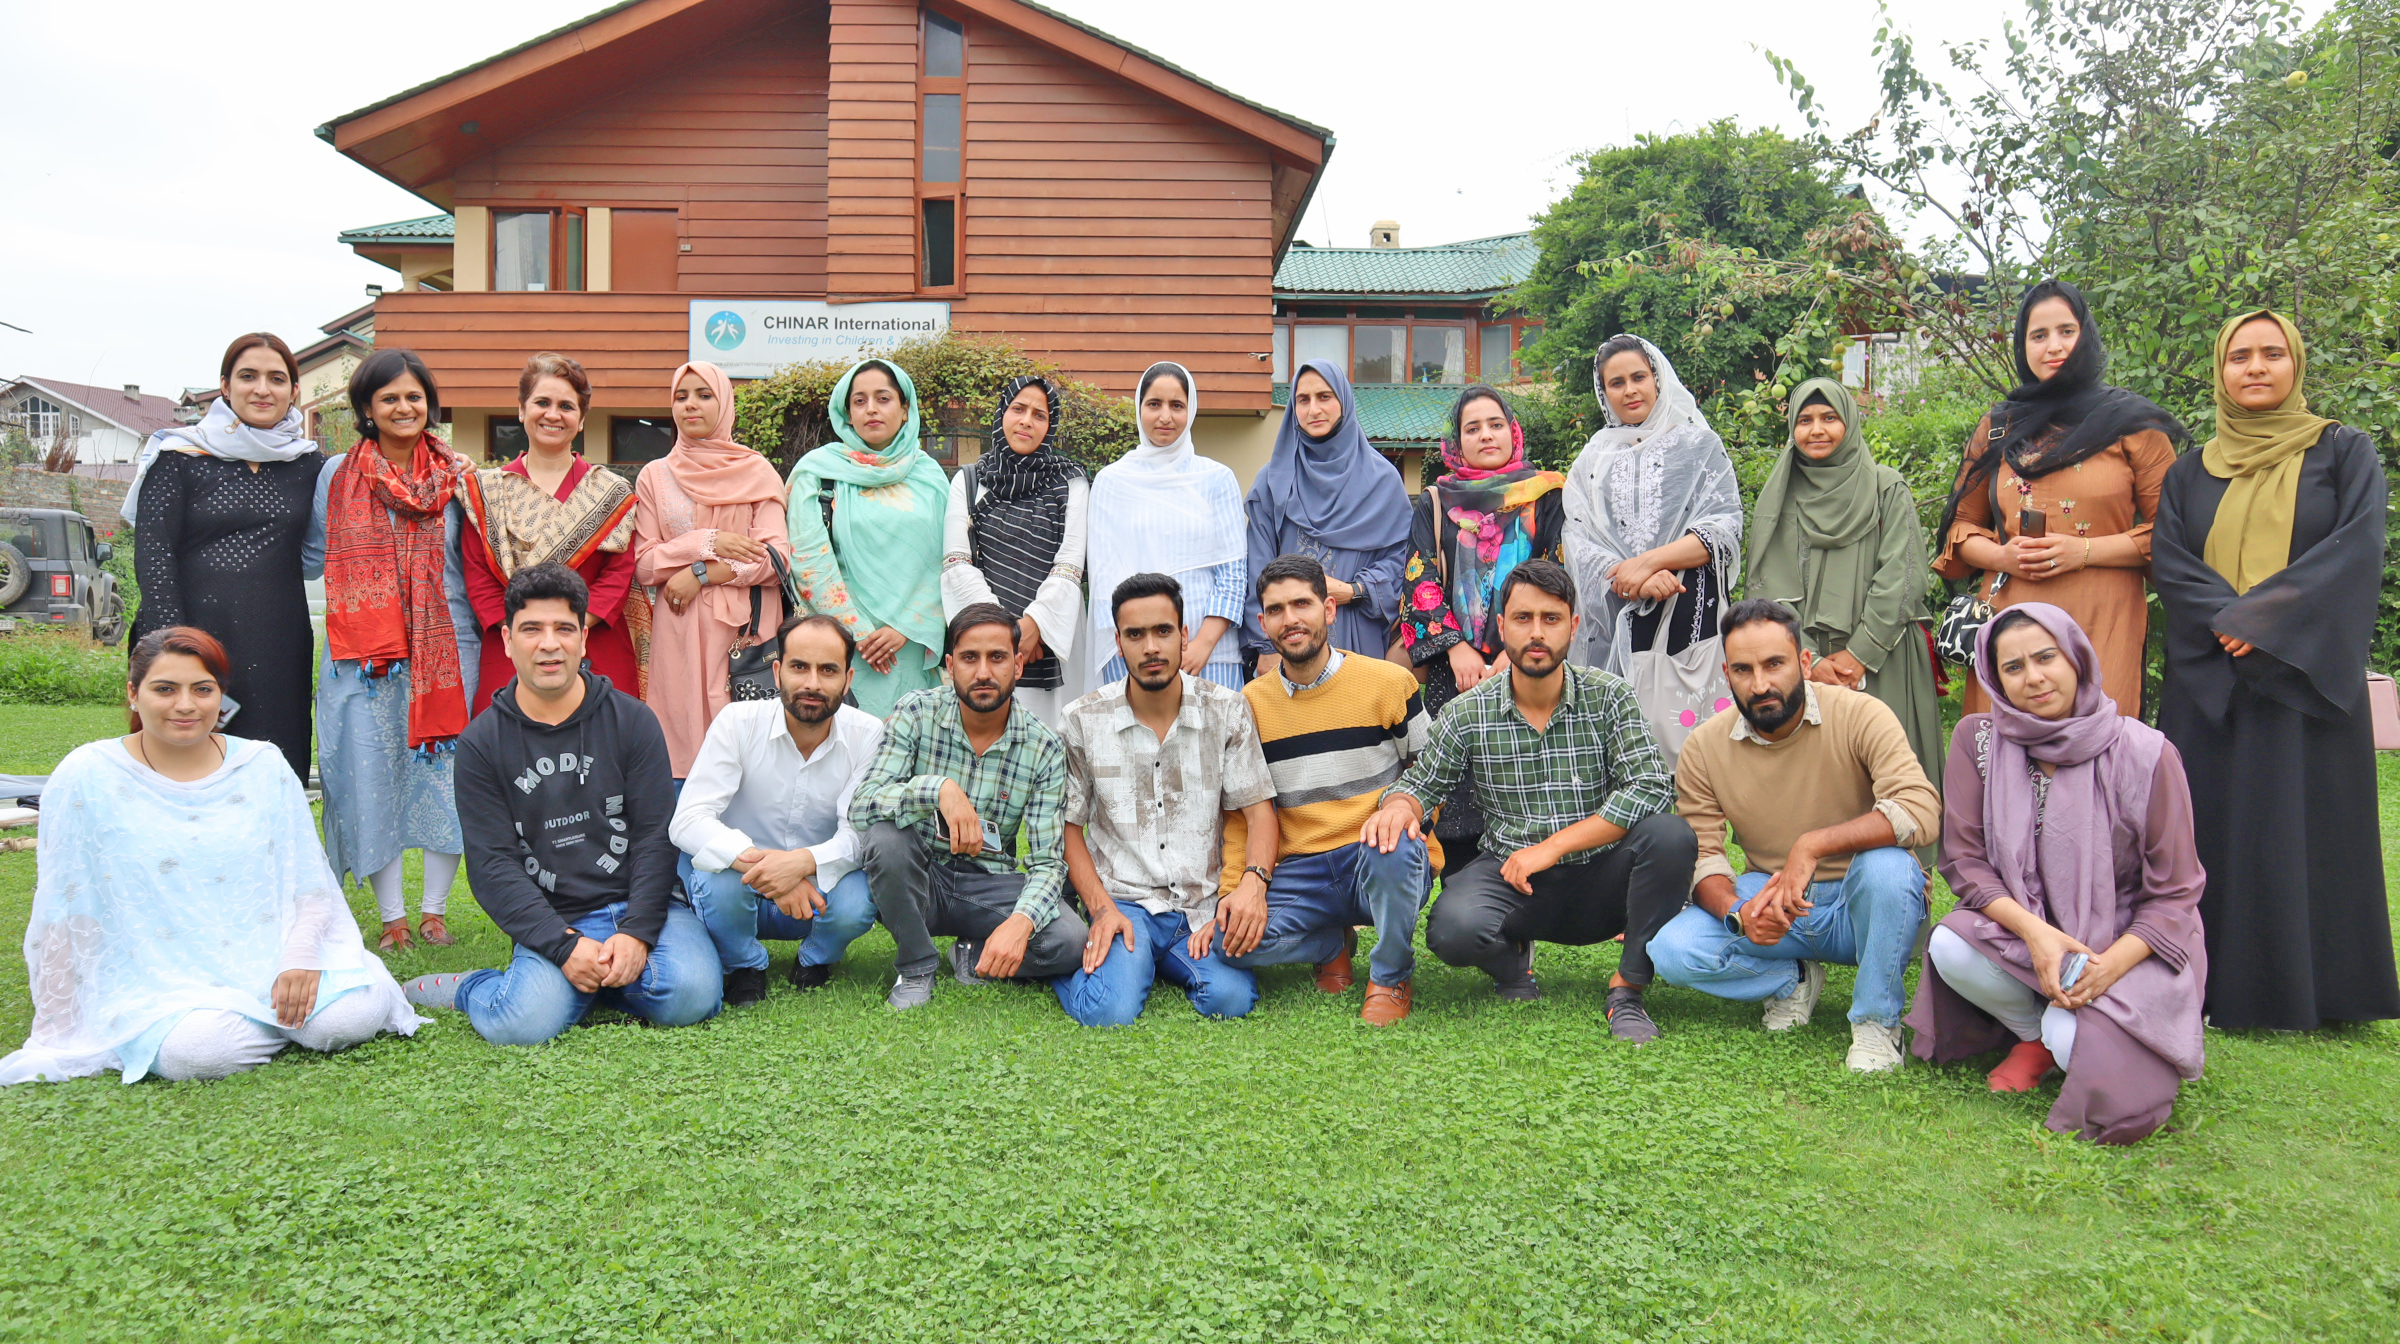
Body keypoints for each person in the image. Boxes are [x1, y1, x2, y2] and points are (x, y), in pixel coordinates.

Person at [0, 627, 418, 1085]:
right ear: (133, 694)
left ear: (222, 698)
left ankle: (275, 1015)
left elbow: (308, 882)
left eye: (203, 690)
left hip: (273, 955)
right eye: (165, 689)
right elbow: (65, 905)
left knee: (349, 1019)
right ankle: (267, 1022)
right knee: (200, 1052)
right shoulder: (88, 774)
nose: (186, 705)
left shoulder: (261, 765)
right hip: (159, 979)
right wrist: (60, 1024)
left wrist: (299, 958)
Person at [2151, 309, 2398, 1031]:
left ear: (2296, 363)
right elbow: (2172, 561)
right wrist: (2230, 622)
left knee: (2303, 829)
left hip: (2302, 680)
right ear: (2220, 371)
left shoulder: (2344, 453)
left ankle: (2317, 991)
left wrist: (2259, 624)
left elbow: (2355, 550)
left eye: (2271, 354)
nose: (2255, 367)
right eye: (2239, 356)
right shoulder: (2190, 472)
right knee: (2210, 829)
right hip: (2213, 683)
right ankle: (2204, 979)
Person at [1905, 605, 2207, 1144]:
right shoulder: (1979, 741)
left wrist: (2106, 969)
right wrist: (2037, 934)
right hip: (2027, 932)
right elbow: (1966, 862)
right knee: (1950, 945)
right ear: (1995, 679)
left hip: (2128, 944)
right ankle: (2033, 1034)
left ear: (2077, 659)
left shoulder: (2147, 755)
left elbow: (2176, 894)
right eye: (2013, 667)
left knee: (2072, 1041)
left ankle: (2058, 1033)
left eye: (2046, 658)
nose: (2034, 677)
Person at [1364, 558, 1693, 1042]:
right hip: (1512, 877)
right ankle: (1512, 963)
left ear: (1573, 627)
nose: (1536, 632)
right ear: (1501, 627)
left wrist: (1553, 847)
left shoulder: (1610, 696)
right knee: (1452, 930)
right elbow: (1422, 785)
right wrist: (1397, 807)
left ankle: (1627, 989)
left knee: (1671, 835)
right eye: (1523, 618)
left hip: (1603, 878)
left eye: (1550, 618)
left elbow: (1650, 787)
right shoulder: (1467, 712)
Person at [401, 563, 721, 1042]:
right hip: (555, 917)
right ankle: (473, 988)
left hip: (643, 905)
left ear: (583, 640)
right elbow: (492, 866)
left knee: (693, 994)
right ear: (507, 640)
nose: (549, 644)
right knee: (522, 1024)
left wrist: (636, 934)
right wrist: (563, 945)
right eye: (532, 629)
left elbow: (656, 837)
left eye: (564, 629)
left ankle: (593, 983)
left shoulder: (633, 721)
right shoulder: (481, 744)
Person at [1647, 599, 1941, 1073]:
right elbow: (1704, 854)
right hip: (1773, 901)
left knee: (1889, 867)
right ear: (1727, 675)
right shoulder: (1704, 746)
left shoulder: (1861, 714)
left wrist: (1813, 845)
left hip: (1862, 906)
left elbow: (1920, 808)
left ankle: (1876, 1023)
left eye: (1774, 664)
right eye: (1743, 670)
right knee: (1672, 950)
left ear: (1804, 663)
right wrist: (1738, 913)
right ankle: (1792, 977)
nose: (1760, 684)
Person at [1933, 279, 2185, 717]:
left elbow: (2170, 534)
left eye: (2067, 331)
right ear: (2022, 346)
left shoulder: (2132, 425)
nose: (2054, 346)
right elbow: (1960, 527)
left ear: (2086, 335)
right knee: (2010, 750)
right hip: (2011, 625)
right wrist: (2002, 557)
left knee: (2096, 744)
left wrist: (2083, 551)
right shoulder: (1999, 426)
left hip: (2102, 620)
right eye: (2039, 335)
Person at [307, 348, 479, 951]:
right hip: (363, 655)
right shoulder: (336, 475)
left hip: (447, 649)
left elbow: (474, 563)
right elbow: (313, 554)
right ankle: (391, 918)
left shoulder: (459, 476)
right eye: (389, 398)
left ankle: (434, 913)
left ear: (430, 404)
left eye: (414, 396)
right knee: (369, 771)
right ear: (366, 407)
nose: (404, 407)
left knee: (442, 774)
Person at [1051, 574, 1279, 1026]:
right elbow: (1068, 828)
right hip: (1124, 901)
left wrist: (1251, 887)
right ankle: (1058, 964)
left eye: (1163, 631)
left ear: (1184, 636)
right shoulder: (1083, 719)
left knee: (1230, 1000)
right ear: (1119, 643)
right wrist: (1101, 910)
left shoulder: (1226, 709)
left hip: (1200, 904)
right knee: (1109, 1011)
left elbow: (1260, 812)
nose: (1151, 647)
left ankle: (1142, 965)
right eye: (1135, 635)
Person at [1220, 556, 1436, 1024]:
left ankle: (1390, 976)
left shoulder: (1389, 682)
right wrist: (1235, 890)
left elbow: (1430, 772)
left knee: (1393, 845)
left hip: (1376, 855)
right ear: (1263, 623)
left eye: (1302, 604)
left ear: (1329, 609)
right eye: (1276, 610)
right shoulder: (1248, 706)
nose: (1290, 619)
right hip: (1304, 870)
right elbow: (1243, 816)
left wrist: (1418, 831)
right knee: (1229, 942)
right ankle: (1331, 942)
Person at [851, 603, 1091, 1009]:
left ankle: (973, 954)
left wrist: (1021, 922)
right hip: (918, 879)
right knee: (886, 838)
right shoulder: (917, 712)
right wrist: (937, 790)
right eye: (969, 658)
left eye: (997, 658)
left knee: (1070, 940)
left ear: (1018, 665)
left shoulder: (1044, 746)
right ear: (949, 665)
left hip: (989, 885)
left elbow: (1048, 863)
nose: (983, 672)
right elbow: (862, 806)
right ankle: (916, 965)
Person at [128, 333, 325, 781]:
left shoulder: (309, 465)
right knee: (186, 767)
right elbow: (154, 555)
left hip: (278, 642)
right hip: (194, 634)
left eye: (277, 379)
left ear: (294, 391)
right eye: (248, 376)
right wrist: (172, 648)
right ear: (224, 386)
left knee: (274, 768)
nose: (262, 389)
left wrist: (456, 467)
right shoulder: (179, 455)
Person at [670, 613, 885, 1006]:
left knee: (859, 899)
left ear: (848, 680)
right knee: (717, 880)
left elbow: (860, 834)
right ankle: (744, 966)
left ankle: (814, 960)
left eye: (828, 670)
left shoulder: (868, 734)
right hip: (738, 888)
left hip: (815, 895)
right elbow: (688, 820)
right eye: (799, 667)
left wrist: (802, 863)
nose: (812, 683)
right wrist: (769, 869)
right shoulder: (737, 721)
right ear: (777, 671)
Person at [1395, 384, 1567, 875]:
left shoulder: (1546, 493)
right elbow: (1420, 577)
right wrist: (1455, 649)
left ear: (1513, 432)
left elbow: (1555, 573)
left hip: (1526, 666)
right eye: (1473, 428)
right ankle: (1461, 898)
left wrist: (1514, 653)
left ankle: (1525, 897)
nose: (1486, 435)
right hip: (1456, 674)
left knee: (1523, 785)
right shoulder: (1435, 500)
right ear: (1457, 441)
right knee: (1455, 799)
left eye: (1495, 424)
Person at [1747, 378, 1944, 791]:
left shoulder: (1885, 486)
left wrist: (1860, 654)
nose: (1816, 430)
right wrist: (1809, 659)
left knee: (1894, 779)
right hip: (1805, 664)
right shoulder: (1779, 496)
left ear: (1849, 423)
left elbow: (1904, 575)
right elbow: (1766, 589)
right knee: (1822, 787)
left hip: (1885, 655)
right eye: (1804, 420)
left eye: (1829, 418)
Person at [633, 360, 791, 777]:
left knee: (750, 757)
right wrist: (705, 542)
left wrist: (701, 572)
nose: (691, 405)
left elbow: (776, 559)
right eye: (681, 396)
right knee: (681, 754)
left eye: (704, 395)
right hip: (681, 632)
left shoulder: (756, 471)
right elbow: (645, 564)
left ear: (724, 404)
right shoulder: (655, 476)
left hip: (746, 634)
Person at [461, 352, 643, 715]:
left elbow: (618, 575)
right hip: (512, 646)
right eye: (542, 403)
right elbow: (478, 575)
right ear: (521, 410)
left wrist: (567, 630)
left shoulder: (611, 492)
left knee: (602, 740)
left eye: (566, 406)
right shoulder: (485, 491)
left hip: (591, 644)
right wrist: (528, 633)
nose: (553, 414)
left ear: (581, 419)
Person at [1561, 335, 1744, 693]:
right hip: (1617, 614)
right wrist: (1634, 580)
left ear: (1657, 379)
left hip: (1689, 615)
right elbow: (1578, 540)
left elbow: (1724, 527)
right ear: (1604, 393)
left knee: (1689, 723)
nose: (1630, 390)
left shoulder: (1699, 445)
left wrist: (1648, 563)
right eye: (1617, 383)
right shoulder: (1592, 461)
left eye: (1639, 377)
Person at [786, 358, 949, 717]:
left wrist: (906, 626)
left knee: (910, 738)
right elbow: (809, 558)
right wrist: (856, 631)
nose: (871, 409)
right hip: (839, 645)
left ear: (905, 409)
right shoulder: (818, 473)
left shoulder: (931, 477)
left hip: (910, 645)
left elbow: (947, 558)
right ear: (847, 413)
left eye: (883, 398)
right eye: (859, 401)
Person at [1242, 360, 1412, 677]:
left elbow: (1401, 559)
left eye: (1324, 397)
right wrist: (1265, 646)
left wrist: (1355, 589)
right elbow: (1257, 566)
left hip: (1358, 635)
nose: (1314, 410)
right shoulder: (1273, 481)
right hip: (1287, 638)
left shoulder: (1382, 481)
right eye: (1303, 400)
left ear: (1343, 401)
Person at [1086, 361, 1246, 690]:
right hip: (1133, 657)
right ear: (1139, 408)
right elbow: (1104, 584)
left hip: (1210, 656)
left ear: (1191, 409)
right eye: (1154, 404)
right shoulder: (1112, 482)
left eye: (1176, 405)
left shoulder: (1216, 479)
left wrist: (1201, 645)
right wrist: (1132, 650)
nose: (1165, 416)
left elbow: (1232, 575)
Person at [942, 375, 1089, 727]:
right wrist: (1007, 634)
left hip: (1051, 644)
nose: (1026, 421)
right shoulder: (970, 480)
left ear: (1050, 426)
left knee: (1053, 738)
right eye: (1018, 409)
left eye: (1040, 415)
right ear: (1001, 414)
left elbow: (1070, 563)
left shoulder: (1071, 481)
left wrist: (1036, 625)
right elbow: (957, 562)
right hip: (985, 640)